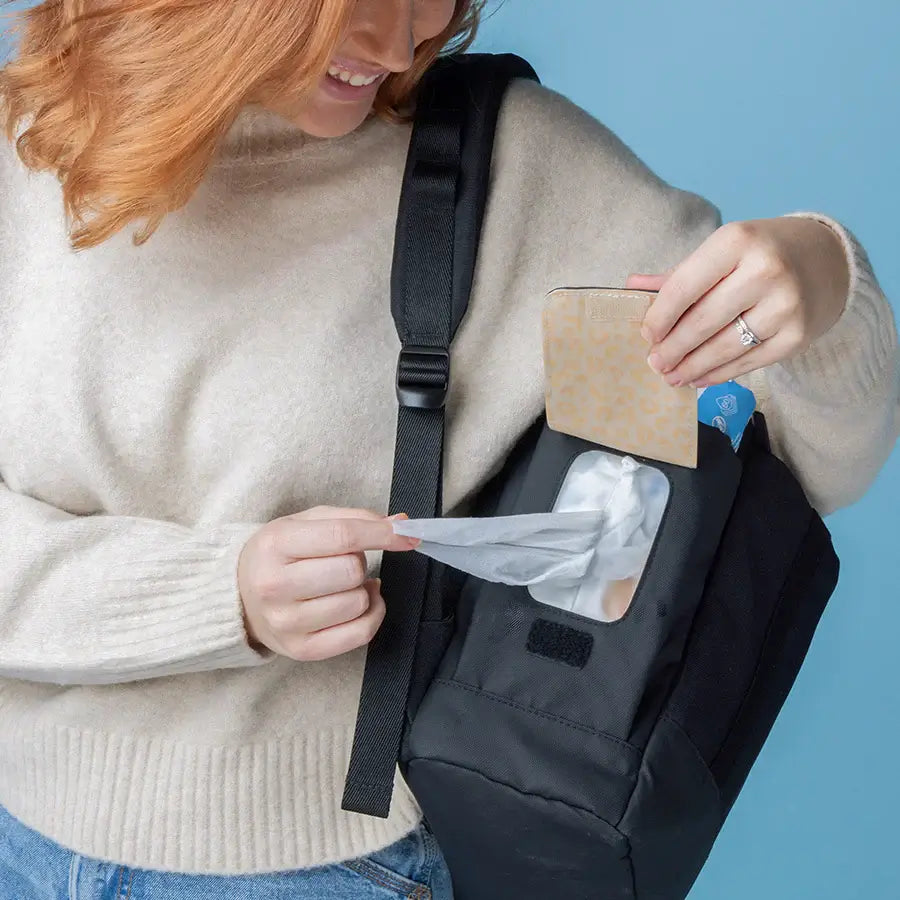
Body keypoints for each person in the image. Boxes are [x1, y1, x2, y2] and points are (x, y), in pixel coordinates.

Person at [0, 1, 897, 898]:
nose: (399, 46)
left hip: (329, 867)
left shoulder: (507, 168)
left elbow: (811, 462)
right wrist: (219, 595)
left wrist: (823, 281)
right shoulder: (25, 147)